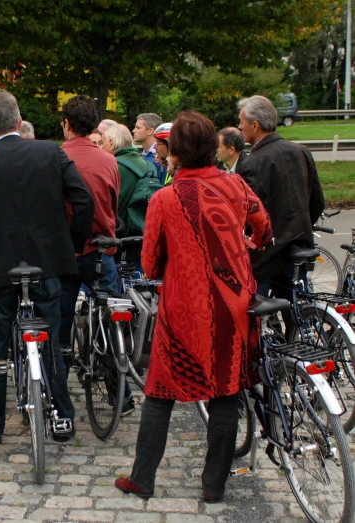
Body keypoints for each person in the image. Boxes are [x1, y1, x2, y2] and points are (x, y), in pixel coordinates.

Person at [114, 110, 273, 503]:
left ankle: (143, 478)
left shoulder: (166, 198)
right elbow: (264, 228)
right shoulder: (235, 185)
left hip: (184, 305)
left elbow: (149, 263)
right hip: (233, 302)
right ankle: (213, 485)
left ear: (177, 153)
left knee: (161, 391)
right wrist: (242, 249)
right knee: (225, 391)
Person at [0, 90, 94, 444]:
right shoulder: (50, 152)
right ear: (19, 121)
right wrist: (71, 246)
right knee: (50, 340)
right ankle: (62, 415)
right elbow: (83, 200)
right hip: (47, 263)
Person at [235, 95, 324, 300]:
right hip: (298, 247)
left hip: (266, 256)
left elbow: (247, 213)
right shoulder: (301, 152)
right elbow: (317, 201)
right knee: (298, 310)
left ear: (255, 125)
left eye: (242, 122)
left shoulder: (250, 164)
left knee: (253, 314)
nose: (239, 127)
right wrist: (302, 226)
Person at [57, 95, 120, 358]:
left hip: (64, 252)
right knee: (113, 322)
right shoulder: (109, 160)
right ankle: (119, 384)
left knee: (59, 326)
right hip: (101, 248)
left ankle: (56, 380)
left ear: (66, 123)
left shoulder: (57, 158)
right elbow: (113, 205)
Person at [102, 123, 158, 242]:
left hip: (118, 239)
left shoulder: (110, 167)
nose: (101, 147)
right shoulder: (150, 166)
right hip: (145, 236)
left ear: (111, 143)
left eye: (102, 143)